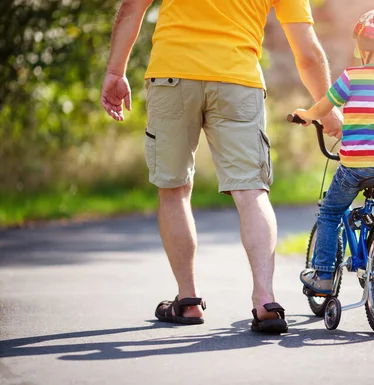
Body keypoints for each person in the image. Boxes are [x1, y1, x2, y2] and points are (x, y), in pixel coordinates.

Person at [100, 0, 343, 333]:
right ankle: (265, 300)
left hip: (172, 75)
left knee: (174, 190)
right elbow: (307, 53)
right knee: (252, 191)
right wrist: (326, 108)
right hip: (238, 81)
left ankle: (188, 301)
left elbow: (131, 8)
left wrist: (115, 72)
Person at [292, 9, 374, 294]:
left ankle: (325, 276)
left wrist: (307, 115)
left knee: (329, 213)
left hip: (356, 164)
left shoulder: (351, 77)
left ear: (362, 49)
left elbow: (324, 106)